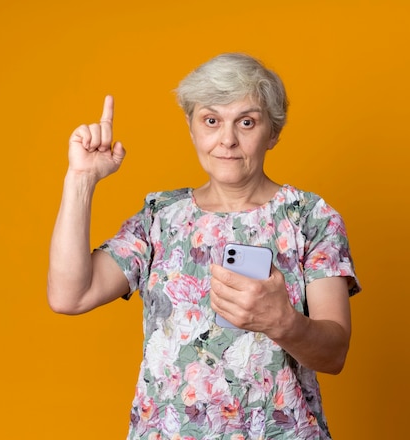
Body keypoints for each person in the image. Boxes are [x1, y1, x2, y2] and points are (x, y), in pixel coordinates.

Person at [47, 53, 361, 439]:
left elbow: (334, 354)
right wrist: (80, 180)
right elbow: (70, 296)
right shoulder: (160, 217)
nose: (227, 140)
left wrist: (284, 323)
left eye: (246, 122)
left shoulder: (310, 217)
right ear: (192, 128)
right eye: (211, 121)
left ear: (273, 132)